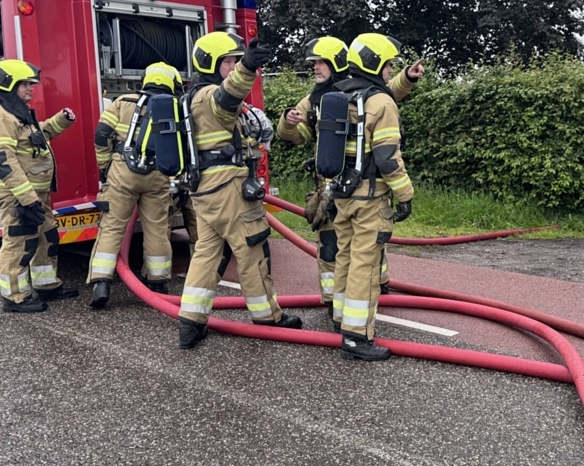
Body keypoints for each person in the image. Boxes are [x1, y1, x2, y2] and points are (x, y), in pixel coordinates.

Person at [278, 37, 424, 323]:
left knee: (363, 248)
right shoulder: (314, 100)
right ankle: (337, 304)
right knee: (335, 247)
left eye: (320, 63)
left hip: (349, 188)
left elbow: (385, 93)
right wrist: (288, 123)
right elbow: (297, 137)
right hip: (331, 187)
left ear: (336, 63)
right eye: (314, 64)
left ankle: (373, 288)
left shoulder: (354, 91)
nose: (316, 69)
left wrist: (406, 77)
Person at [177, 31, 301, 349]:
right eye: (228, 61)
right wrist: (247, 67)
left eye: (235, 61)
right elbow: (228, 96)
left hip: (205, 190)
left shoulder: (192, 97)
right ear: (210, 64)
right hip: (229, 188)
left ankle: (191, 320)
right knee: (252, 249)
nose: (232, 67)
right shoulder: (209, 97)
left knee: (207, 253)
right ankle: (267, 317)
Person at [317, 33, 414, 362]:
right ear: (375, 65)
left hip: (341, 195)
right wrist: (404, 194)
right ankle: (357, 337)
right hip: (370, 198)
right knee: (365, 264)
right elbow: (387, 156)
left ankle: (342, 318)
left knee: (344, 256)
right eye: (388, 66)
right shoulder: (380, 102)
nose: (390, 72)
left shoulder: (338, 95)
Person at [0, 59, 78, 312]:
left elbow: (36, 138)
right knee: (19, 243)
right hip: (18, 195)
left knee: (46, 237)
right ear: (8, 84)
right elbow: (3, 160)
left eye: (30, 84)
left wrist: (61, 121)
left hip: (35, 193)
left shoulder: (15, 111)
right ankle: (15, 298)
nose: (30, 89)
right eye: (24, 84)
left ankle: (46, 285)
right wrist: (26, 198)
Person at [88, 62, 182, 308]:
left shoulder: (123, 102)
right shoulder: (175, 107)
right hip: (158, 175)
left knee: (112, 226)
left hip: (122, 171)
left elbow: (101, 133)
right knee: (157, 228)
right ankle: (158, 283)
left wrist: (104, 166)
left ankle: (101, 284)